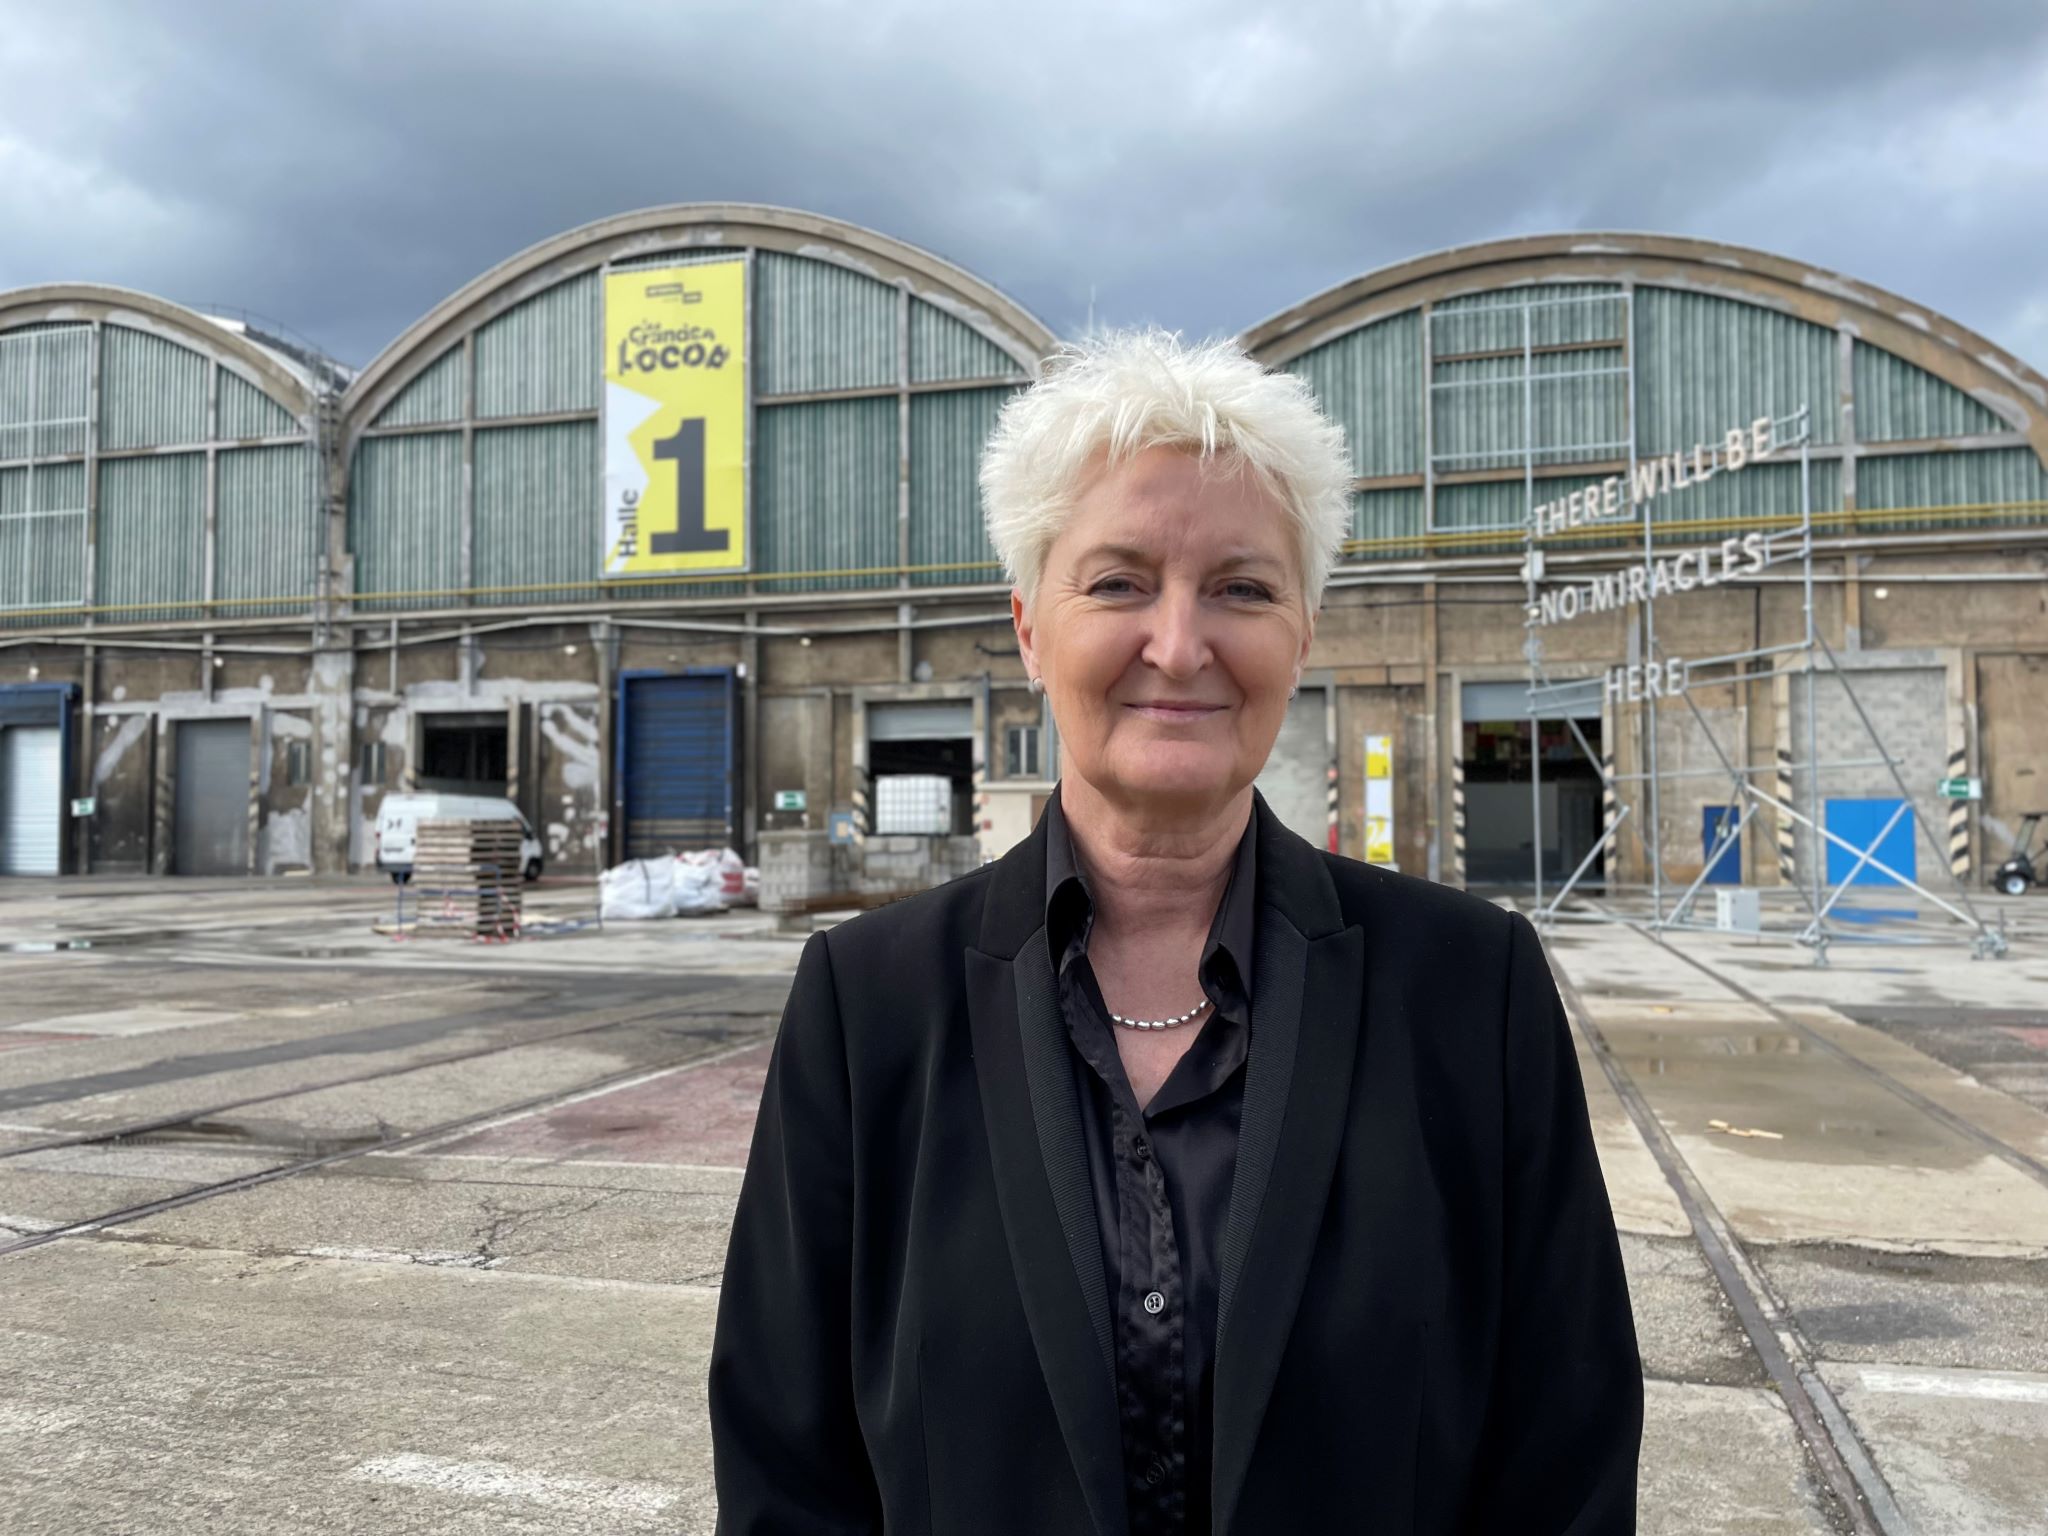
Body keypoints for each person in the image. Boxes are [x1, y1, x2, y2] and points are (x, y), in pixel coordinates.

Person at [709, 330, 1642, 1535]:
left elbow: (1561, 1457)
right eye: (1116, 582)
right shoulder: (869, 1003)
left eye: (1242, 588)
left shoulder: (1471, 989)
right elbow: (788, 1470)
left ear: (1302, 630)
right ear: (1031, 629)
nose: (1178, 642)